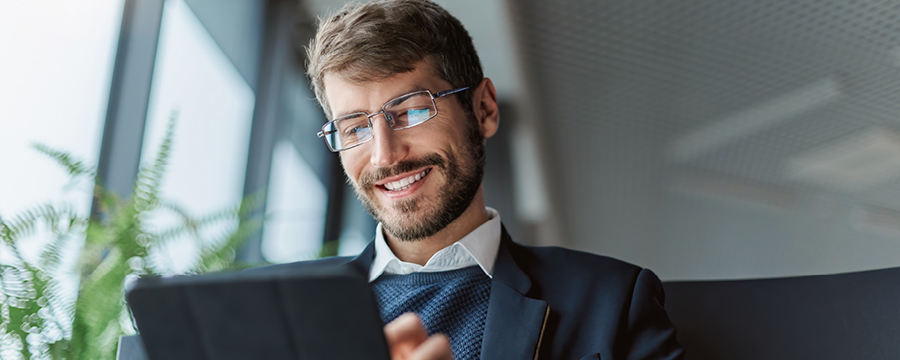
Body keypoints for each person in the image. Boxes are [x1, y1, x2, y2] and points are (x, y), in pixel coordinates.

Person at [273, 0, 686, 359]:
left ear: (484, 109)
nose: (385, 155)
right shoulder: (280, 313)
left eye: (413, 110)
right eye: (354, 129)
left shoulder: (612, 300)